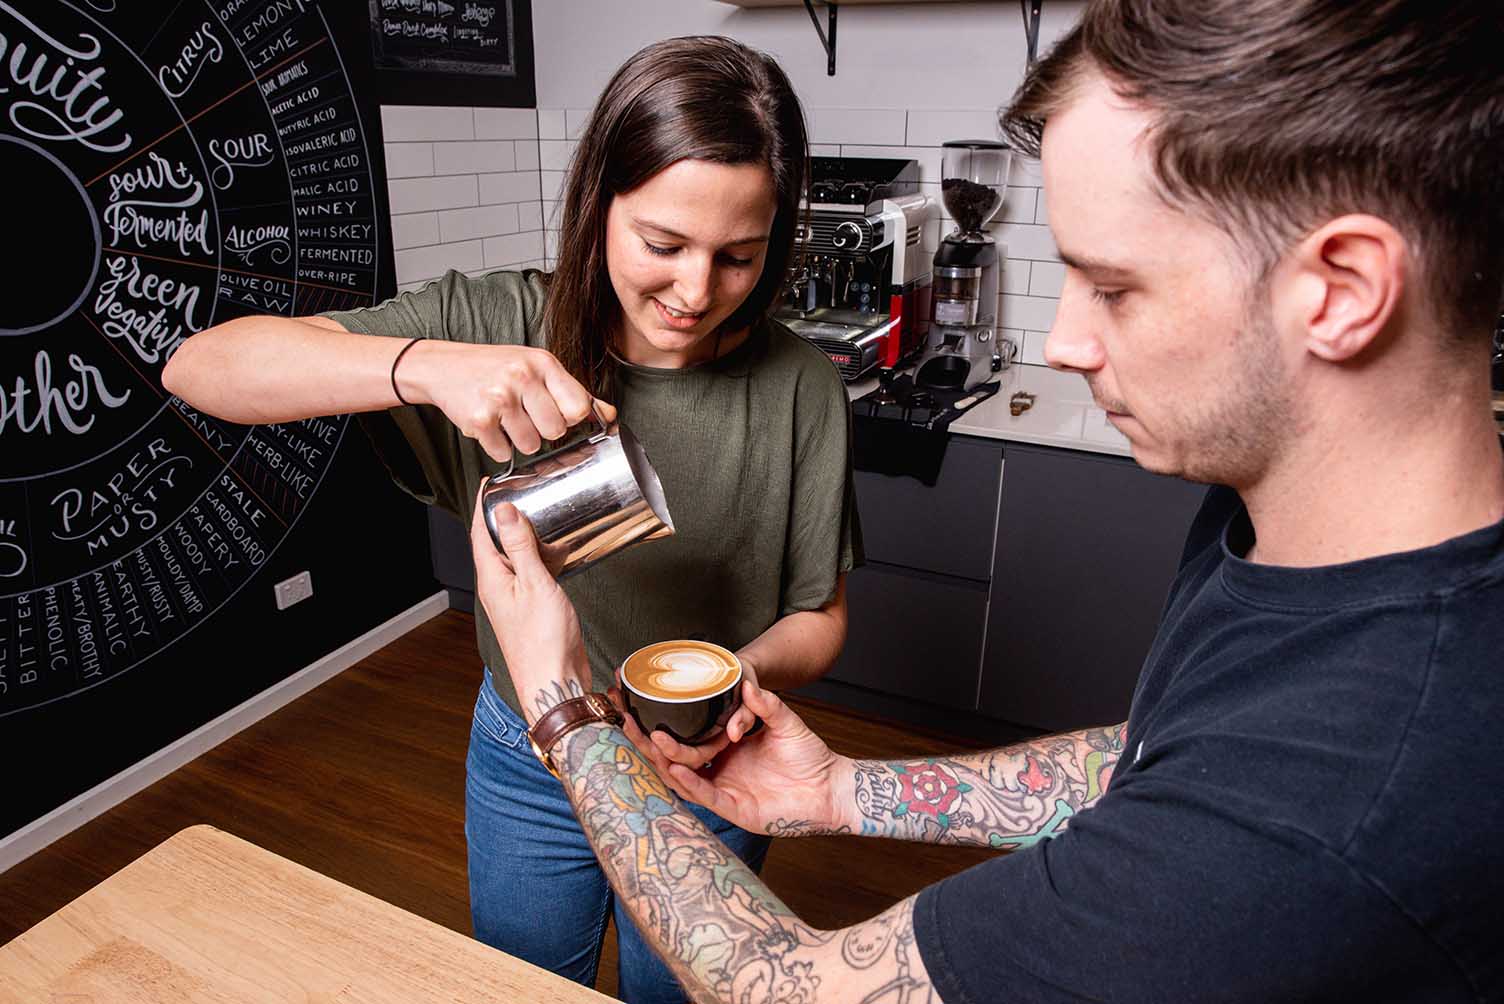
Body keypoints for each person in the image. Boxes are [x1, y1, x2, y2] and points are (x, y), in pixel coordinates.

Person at [468, 0, 1504, 1000]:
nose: (1062, 340)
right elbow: (1161, 754)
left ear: (1341, 290)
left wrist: (563, 706)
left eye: (1113, 284)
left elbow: (789, 987)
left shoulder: (1347, 799)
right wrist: (844, 790)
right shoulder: (1295, 539)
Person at [162, 36, 859, 1002]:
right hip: (528, 760)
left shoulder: (800, 388)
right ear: (597, 206)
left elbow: (819, 616)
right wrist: (426, 366)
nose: (696, 293)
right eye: (662, 245)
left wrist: (742, 679)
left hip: (708, 764)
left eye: (737, 257)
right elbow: (200, 368)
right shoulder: (493, 327)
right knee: (524, 987)